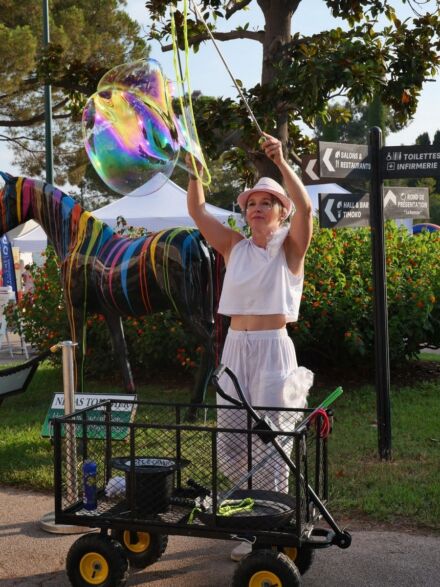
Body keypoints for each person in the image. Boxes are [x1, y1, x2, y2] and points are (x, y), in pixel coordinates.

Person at [187, 132, 314, 561]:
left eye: (267, 203)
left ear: (281, 212)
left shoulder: (290, 251)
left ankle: (270, 526)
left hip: (273, 348)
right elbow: (197, 211)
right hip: (236, 350)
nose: (257, 208)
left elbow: (308, 208)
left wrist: (280, 162)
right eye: (251, 204)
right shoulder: (234, 248)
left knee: (273, 438)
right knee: (233, 439)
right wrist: (194, 170)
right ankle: (247, 521)